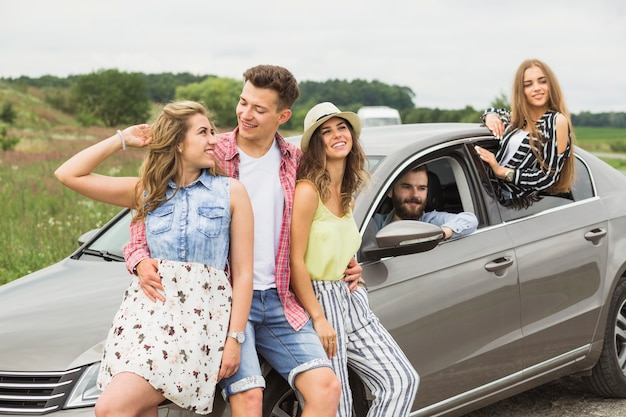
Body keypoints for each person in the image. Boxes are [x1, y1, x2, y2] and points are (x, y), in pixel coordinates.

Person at [124, 66, 364, 417]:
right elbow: (151, 204)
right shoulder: (209, 153)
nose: (245, 114)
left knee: (328, 387)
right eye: (243, 102)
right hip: (227, 303)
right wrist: (139, 257)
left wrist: (347, 258)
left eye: (259, 109)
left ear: (283, 116)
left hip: (282, 299)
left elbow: (325, 218)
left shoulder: (296, 163)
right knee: (248, 399)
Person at [54, 101, 254, 416]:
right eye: (203, 132)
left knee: (111, 408)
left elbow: (243, 274)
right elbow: (68, 174)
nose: (214, 140)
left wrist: (234, 339)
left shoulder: (231, 192)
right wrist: (123, 139)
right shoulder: (147, 192)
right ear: (177, 142)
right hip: (142, 320)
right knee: (135, 411)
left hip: (197, 322)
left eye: (213, 131)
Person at [290, 102, 419, 417]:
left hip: (349, 296)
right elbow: (295, 260)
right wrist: (318, 318)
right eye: (326, 131)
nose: (337, 135)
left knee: (401, 379)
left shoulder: (346, 192)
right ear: (316, 143)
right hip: (318, 299)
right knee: (339, 405)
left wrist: (350, 264)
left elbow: (334, 241)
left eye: (341, 127)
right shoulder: (307, 191)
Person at [475, 58, 575, 208]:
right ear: (521, 91)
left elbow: (548, 177)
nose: (536, 88)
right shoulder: (519, 119)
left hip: (511, 201)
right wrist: (490, 116)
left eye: (542, 81)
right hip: (487, 190)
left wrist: (500, 171)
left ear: (551, 85)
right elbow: (493, 111)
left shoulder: (555, 121)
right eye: (528, 84)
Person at [374, 165, 478, 238]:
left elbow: (470, 219)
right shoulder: (374, 224)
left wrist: (441, 234)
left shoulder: (432, 222)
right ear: (390, 192)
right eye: (406, 187)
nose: (415, 195)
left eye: (421, 188)